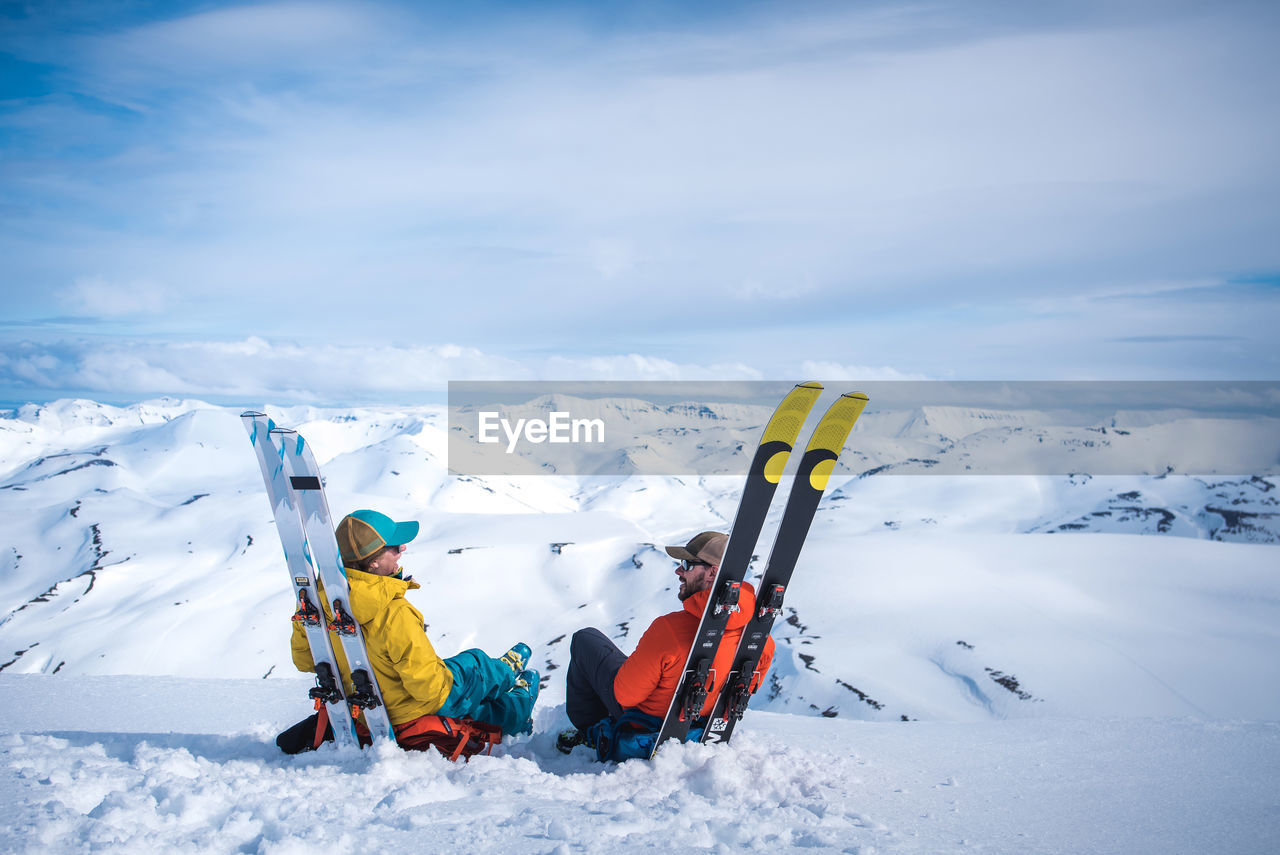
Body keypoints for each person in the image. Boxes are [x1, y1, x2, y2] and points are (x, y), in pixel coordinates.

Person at [277, 508, 539, 754]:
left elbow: (304, 661)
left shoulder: (315, 606)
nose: (402, 549)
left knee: (464, 671)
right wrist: (456, 686)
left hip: (367, 707)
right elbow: (429, 689)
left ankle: (504, 677)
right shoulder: (392, 612)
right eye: (393, 548)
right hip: (409, 710)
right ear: (373, 564)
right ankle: (514, 686)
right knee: (475, 667)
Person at [558, 530, 774, 758]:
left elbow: (625, 696)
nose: (679, 571)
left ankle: (592, 732)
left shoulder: (669, 630)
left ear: (712, 573)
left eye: (688, 565)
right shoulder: (761, 641)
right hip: (700, 720)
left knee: (585, 639)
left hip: (646, 722)